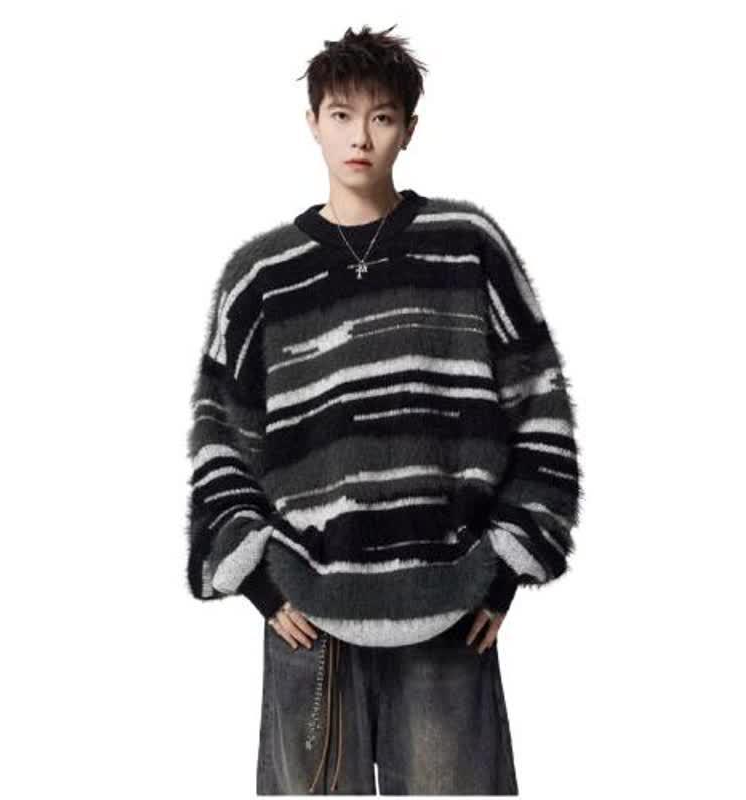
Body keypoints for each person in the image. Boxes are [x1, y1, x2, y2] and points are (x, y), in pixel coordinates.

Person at [184, 24, 582, 795]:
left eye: (382, 117)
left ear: (410, 128)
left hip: (448, 604)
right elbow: (220, 436)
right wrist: (260, 581)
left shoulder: (466, 247)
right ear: (312, 122)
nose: (360, 138)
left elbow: (539, 405)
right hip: (309, 613)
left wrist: (505, 570)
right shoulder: (261, 276)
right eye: (341, 115)